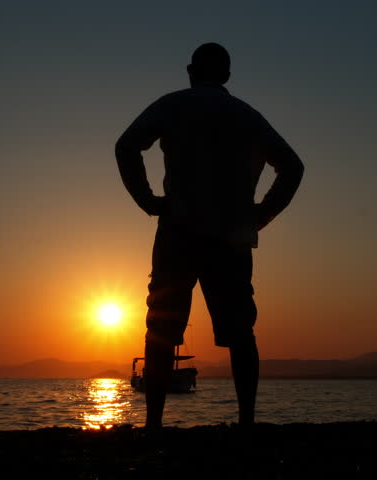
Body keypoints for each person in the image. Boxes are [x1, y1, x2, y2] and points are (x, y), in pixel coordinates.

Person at [115, 43, 304, 429]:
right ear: (228, 76)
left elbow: (126, 146)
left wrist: (147, 200)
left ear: (190, 70)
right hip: (230, 237)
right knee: (240, 331)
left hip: (178, 230)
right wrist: (260, 214)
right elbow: (292, 166)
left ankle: (154, 423)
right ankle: (247, 421)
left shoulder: (172, 105)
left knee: (162, 327)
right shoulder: (246, 115)